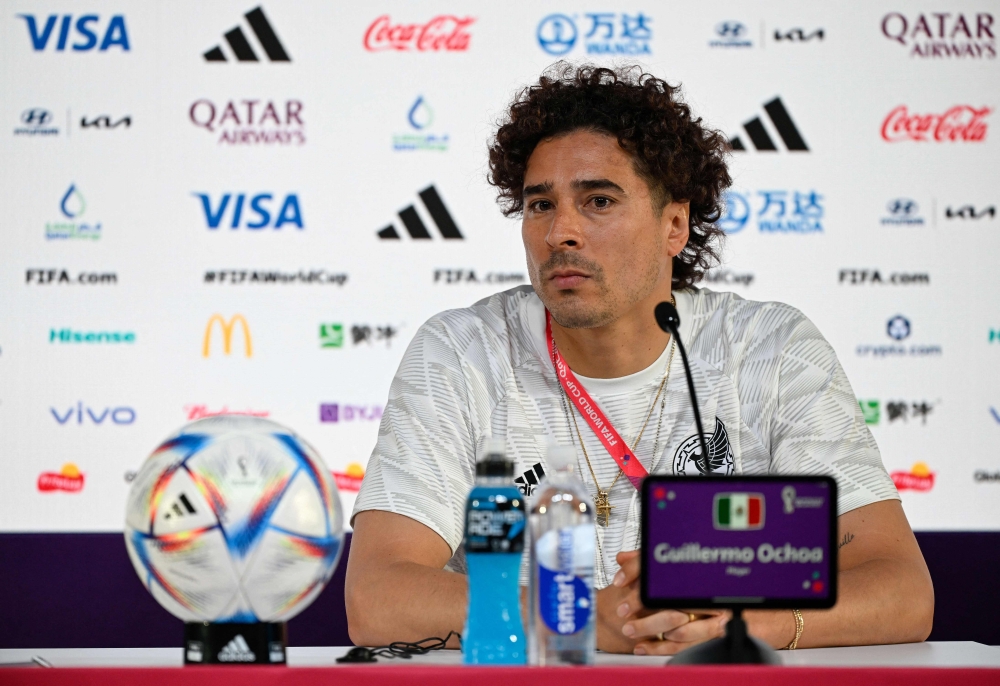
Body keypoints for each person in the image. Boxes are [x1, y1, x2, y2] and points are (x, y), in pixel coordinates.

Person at [345, 64, 934, 655]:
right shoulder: (461, 352)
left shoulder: (770, 350)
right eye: (539, 205)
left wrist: (743, 624)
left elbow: (902, 591)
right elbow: (376, 597)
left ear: (674, 224)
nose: (560, 233)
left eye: (598, 200)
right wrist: (566, 618)